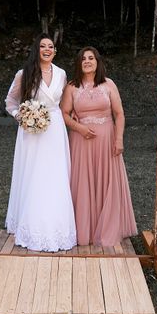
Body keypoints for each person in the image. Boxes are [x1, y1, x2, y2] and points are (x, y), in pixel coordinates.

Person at [4, 33, 77, 252]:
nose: (47, 49)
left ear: (55, 51)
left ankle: (58, 223)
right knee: (34, 173)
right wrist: (23, 117)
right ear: (37, 49)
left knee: (56, 174)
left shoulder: (62, 74)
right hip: (32, 132)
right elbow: (10, 102)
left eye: (51, 46)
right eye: (43, 46)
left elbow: (65, 103)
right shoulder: (23, 73)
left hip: (55, 128)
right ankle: (30, 223)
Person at [61, 46, 137, 246]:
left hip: (106, 142)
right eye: (83, 58)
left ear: (97, 62)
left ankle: (107, 226)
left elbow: (119, 114)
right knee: (83, 183)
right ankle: (84, 230)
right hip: (81, 142)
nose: (87, 61)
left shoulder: (108, 84)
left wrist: (119, 139)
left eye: (91, 58)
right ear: (79, 63)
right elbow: (64, 114)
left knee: (106, 182)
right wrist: (80, 128)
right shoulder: (71, 86)